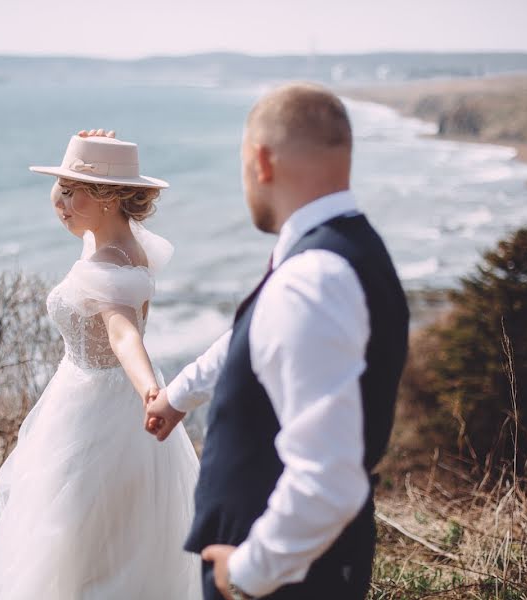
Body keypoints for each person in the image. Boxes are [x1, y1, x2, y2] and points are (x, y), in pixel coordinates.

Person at [146, 84, 409, 599]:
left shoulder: (311, 278)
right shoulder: (348, 250)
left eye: (242, 164)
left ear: (261, 160)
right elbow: (259, 338)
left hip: (283, 580)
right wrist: (179, 396)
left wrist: (246, 572)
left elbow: (328, 476)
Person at [0, 129, 201, 599]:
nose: (59, 203)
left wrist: (149, 393)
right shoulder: (122, 244)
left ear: (108, 197)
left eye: (71, 191)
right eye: (59, 189)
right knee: (111, 532)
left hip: (95, 408)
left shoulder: (107, 267)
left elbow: (124, 335)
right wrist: (89, 152)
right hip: (98, 396)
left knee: (72, 531)